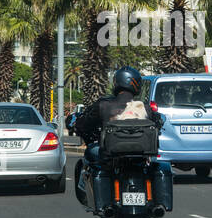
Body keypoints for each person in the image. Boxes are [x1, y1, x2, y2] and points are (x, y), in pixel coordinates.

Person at [69, 67, 165, 205]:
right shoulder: (145, 107)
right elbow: (158, 123)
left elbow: (83, 124)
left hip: (110, 154)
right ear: (136, 84)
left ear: (116, 83)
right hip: (141, 153)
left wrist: (76, 125)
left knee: (90, 153)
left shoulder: (103, 106)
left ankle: (98, 201)